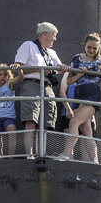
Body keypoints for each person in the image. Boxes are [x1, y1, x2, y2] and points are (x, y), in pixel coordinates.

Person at [12, 22, 68, 159]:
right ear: (45, 34)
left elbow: (59, 66)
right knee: (31, 121)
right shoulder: (28, 46)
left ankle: (40, 153)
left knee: (46, 123)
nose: (55, 39)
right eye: (53, 36)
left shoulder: (52, 53)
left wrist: (63, 67)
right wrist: (39, 69)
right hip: (32, 85)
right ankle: (29, 155)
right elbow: (18, 67)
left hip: (48, 88)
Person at [56, 34, 101, 163]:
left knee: (74, 122)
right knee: (86, 131)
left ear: (99, 48)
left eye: (94, 48)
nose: (91, 51)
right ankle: (95, 161)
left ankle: (66, 154)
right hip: (78, 94)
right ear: (84, 46)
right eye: (89, 47)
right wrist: (80, 74)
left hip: (93, 95)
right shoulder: (76, 59)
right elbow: (69, 81)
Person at [0, 64, 23, 156]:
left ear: (8, 76)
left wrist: (19, 69)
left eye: (5, 74)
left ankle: (11, 158)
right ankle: (0, 159)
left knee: (12, 132)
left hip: (8, 116)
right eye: (0, 74)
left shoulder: (9, 84)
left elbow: (20, 76)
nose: (2, 77)